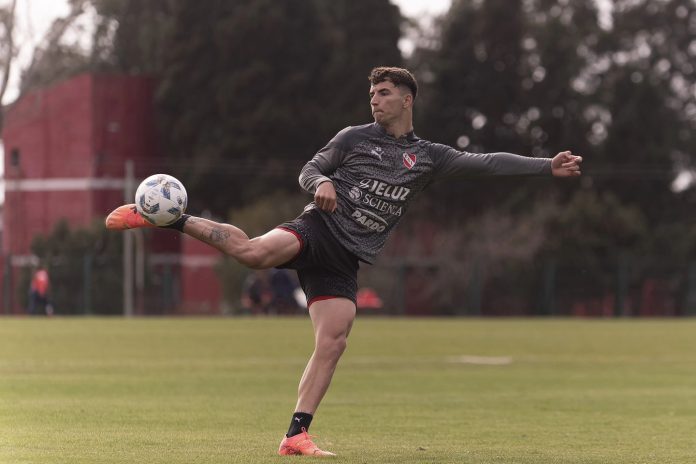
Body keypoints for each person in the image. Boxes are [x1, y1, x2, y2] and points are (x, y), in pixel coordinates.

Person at [105, 67, 582, 456]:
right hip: (316, 231)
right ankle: (169, 219)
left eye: (385, 93)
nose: (375, 100)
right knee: (252, 254)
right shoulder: (354, 137)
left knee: (333, 343)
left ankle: (295, 435)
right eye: (373, 93)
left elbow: (486, 162)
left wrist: (545, 167)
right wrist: (321, 184)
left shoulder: (429, 157)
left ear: (407, 100)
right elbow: (309, 168)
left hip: (346, 259)